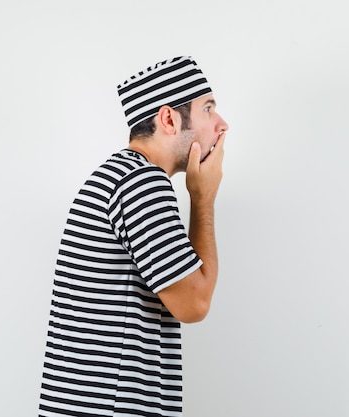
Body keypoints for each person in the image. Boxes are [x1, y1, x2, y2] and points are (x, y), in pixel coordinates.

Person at [39, 56, 229, 417]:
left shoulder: (119, 176)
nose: (222, 124)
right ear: (169, 119)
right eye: (207, 109)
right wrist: (203, 198)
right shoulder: (141, 183)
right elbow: (194, 304)